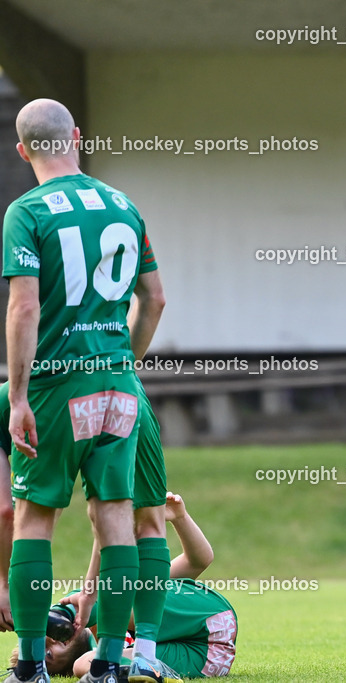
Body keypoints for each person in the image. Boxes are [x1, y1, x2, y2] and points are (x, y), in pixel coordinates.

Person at [3, 98, 166, 683]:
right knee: (115, 515)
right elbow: (156, 299)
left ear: (23, 150)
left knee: (35, 515)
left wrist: (19, 397)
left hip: (56, 384)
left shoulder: (27, 211)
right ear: (74, 136)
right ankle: (113, 667)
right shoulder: (124, 205)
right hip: (118, 384)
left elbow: (24, 305)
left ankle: (27, 665)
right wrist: (123, 361)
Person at [11, 492, 236, 680]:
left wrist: (180, 517)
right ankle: (63, 614)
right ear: (60, 672)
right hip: (207, 657)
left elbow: (198, 561)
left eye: (47, 635)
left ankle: (62, 611)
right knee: (92, 664)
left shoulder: (126, 604)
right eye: (49, 653)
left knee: (107, 599)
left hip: (207, 614)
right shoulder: (88, 660)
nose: (54, 638)